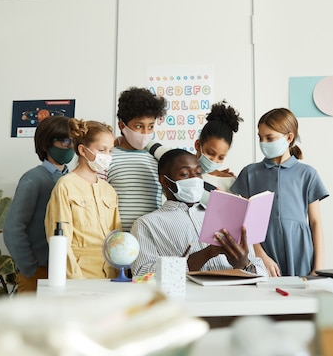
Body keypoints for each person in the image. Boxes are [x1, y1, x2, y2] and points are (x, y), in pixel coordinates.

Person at [131, 148, 267, 277]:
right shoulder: (146, 224)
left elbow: (262, 272)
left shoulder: (225, 216)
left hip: (234, 296)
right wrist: (206, 254)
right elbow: (143, 274)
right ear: (165, 181)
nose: (194, 179)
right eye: (185, 174)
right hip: (186, 299)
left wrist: (244, 264)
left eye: (198, 173)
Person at [231, 108, 329, 277]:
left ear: (289, 137)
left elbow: (315, 223)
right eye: (260, 137)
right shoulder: (250, 173)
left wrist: (318, 268)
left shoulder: (307, 174)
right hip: (263, 250)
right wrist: (260, 255)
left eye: (269, 138)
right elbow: (245, 222)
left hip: (300, 251)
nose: (263, 142)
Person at [3, 116, 74, 293]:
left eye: (73, 140)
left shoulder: (73, 180)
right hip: (39, 271)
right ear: (45, 144)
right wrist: (30, 268)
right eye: (64, 141)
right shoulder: (33, 179)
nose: (70, 146)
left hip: (67, 271)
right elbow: (13, 228)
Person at [44, 119, 122, 279]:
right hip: (79, 274)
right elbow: (60, 241)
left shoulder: (108, 190)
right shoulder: (65, 186)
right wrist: (76, 281)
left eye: (110, 151)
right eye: (102, 150)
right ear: (83, 150)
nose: (107, 156)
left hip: (110, 275)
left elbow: (117, 237)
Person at [107, 87, 167, 232]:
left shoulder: (158, 159)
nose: (145, 133)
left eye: (151, 126)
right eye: (139, 126)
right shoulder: (108, 157)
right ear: (122, 125)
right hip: (116, 241)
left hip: (151, 238)